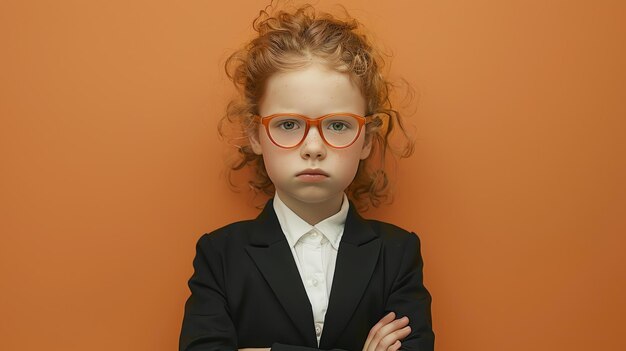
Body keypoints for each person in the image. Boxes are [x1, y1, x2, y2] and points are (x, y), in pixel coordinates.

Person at [179, 2, 434, 350]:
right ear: (255, 135)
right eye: (288, 124)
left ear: (367, 140)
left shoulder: (398, 252)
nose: (313, 147)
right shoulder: (220, 254)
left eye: (338, 124)